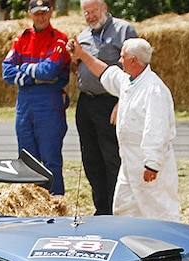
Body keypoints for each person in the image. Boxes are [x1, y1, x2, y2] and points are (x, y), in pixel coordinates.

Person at [69, 36, 180, 222]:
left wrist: (152, 163)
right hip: (129, 162)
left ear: (133, 60)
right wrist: (81, 54)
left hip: (148, 163)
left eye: (122, 57)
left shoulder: (153, 89)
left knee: (158, 209)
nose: (120, 61)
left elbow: (157, 128)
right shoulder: (129, 82)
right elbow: (106, 72)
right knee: (123, 207)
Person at [1, 0, 71, 196]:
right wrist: (35, 76)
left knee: (51, 161)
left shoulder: (59, 39)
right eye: (37, 13)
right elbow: (7, 72)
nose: (41, 17)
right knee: (26, 162)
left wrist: (23, 68)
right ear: (30, 14)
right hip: (24, 106)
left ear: (51, 13)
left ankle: (56, 204)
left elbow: (50, 71)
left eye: (44, 12)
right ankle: (31, 206)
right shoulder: (21, 39)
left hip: (49, 104)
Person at [73, 0, 136, 215]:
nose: (90, 16)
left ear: (105, 8)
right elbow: (77, 67)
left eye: (93, 11)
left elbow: (135, 68)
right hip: (86, 103)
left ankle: (115, 209)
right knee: (90, 158)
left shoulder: (124, 30)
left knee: (111, 157)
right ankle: (101, 209)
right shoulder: (82, 36)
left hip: (111, 102)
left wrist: (122, 101)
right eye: (86, 13)